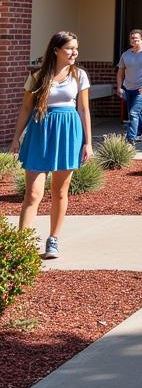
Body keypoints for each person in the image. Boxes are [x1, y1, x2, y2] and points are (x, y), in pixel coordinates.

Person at [9, 31, 93, 260]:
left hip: (67, 133)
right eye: (69, 48)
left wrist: (88, 142)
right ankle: (20, 244)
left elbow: (83, 109)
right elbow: (26, 108)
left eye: (76, 48)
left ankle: (53, 240)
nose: (74, 52)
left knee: (59, 192)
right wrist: (16, 137)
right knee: (33, 194)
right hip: (39, 133)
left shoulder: (79, 76)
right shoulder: (37, 77)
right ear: (56, 50)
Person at [117, 28, 142, 143]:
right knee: (139, 112)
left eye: (137, 39)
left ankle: (131, 138)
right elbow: (120, 72)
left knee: (133, 113)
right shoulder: (126, 54)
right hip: (128, 89)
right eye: (132, 39)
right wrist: (120, 87)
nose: (134, 41)